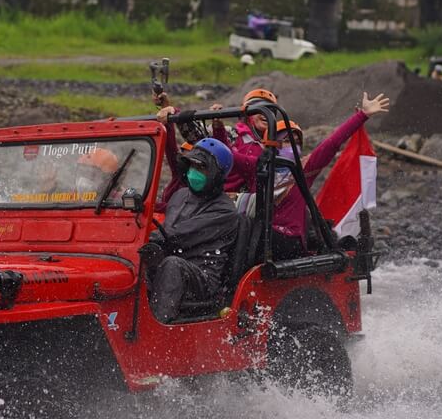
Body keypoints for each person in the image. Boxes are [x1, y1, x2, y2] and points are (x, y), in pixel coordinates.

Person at [234, 93, 391, 259]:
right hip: (262, 235)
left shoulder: (303, 169)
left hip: (289, 240)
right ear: (272, 143)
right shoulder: (257, 166)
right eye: (287, 140)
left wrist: (362, 115)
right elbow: (225, 155)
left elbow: (332, 143)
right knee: (234, 227)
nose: (292, 146)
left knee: (245, 229)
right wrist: (215, 130)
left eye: (296, 142)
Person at [140, 137, 240, 323]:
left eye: (201, 168)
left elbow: (178, 235)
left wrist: (146, 240)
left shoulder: (225, 211)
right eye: (192, 166)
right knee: (137, 262)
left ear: (216, 174)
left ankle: (157, 330)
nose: (195, 173)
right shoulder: (179, 196)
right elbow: (164, 231)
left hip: (203, 278)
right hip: (170, 263)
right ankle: (125, 321)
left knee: (172, 264)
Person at [209, 88, 278, 192]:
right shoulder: (230, 133)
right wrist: (217, 125)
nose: (265, 114)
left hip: (255, 201)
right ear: (248, 114)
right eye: (260, 109)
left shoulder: (273, 145)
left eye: (270, 111)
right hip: (224, 198)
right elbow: (197, 138)